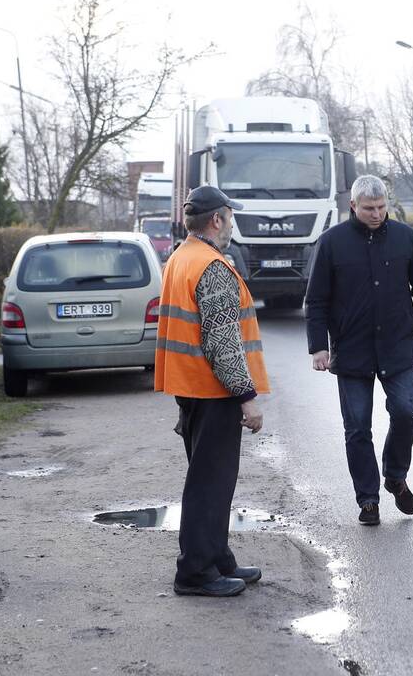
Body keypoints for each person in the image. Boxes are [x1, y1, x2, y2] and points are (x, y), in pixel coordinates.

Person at [305, 175, 413, 525]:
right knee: (357, 428)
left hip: (396, 347)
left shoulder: (404, 237)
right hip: (352, 351)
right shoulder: (332, 242)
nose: (377, 214)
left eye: (382, 207)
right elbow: (317, 300)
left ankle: (395, 476)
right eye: (369, 208)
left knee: (405, 412)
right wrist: (318, 347)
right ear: (353, 206)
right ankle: (368, 500)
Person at [154, 186, 270, 596]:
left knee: (209, 479)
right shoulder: (212, 266)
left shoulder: (180, 258)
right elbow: (222, 344)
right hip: (214, 391)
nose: (233, 224)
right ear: (216, 220)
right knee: (211, 482)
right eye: (230, 217)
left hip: (190, 388)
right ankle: (196, 573)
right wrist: (247, 397)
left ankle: (218, 558)